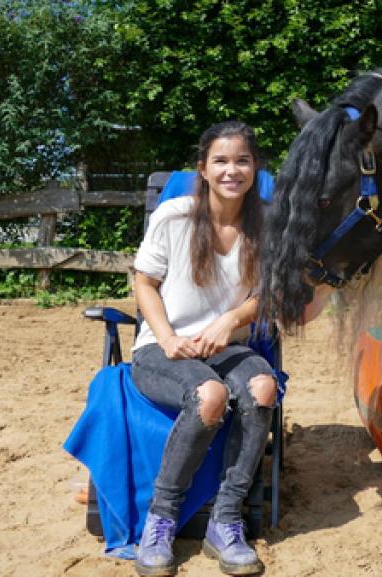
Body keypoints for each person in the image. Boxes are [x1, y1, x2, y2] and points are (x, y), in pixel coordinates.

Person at [130, 120, 275, 577]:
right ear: (204, 169)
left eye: (242, 160)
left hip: (226, 346)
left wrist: (230, 321)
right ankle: (162, 519)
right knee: (209, 395)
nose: (232, 170)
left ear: (255, 168)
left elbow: (269, 295)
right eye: (221, 161)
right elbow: (144, 282)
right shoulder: (174, 215)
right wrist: (169, 337)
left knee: (263, 387)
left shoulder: (268, 225)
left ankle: (226, 520)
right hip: (163, 349)